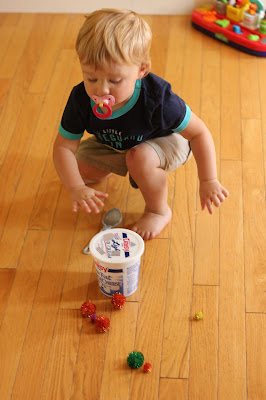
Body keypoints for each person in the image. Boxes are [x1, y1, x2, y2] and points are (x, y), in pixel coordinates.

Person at [53, 8, 229, 240]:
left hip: (166, 140)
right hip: (118, 141)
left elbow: (199, 133)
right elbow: (63, 147)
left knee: (140, 157)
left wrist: (209, 180)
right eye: (91, 78)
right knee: (77, 170)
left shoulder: (158, 99)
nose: (101, 89)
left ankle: (158, 210)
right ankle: (120, 167)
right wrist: (75, 187)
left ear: (141, 70)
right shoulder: (81, 98)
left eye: (115, 80)